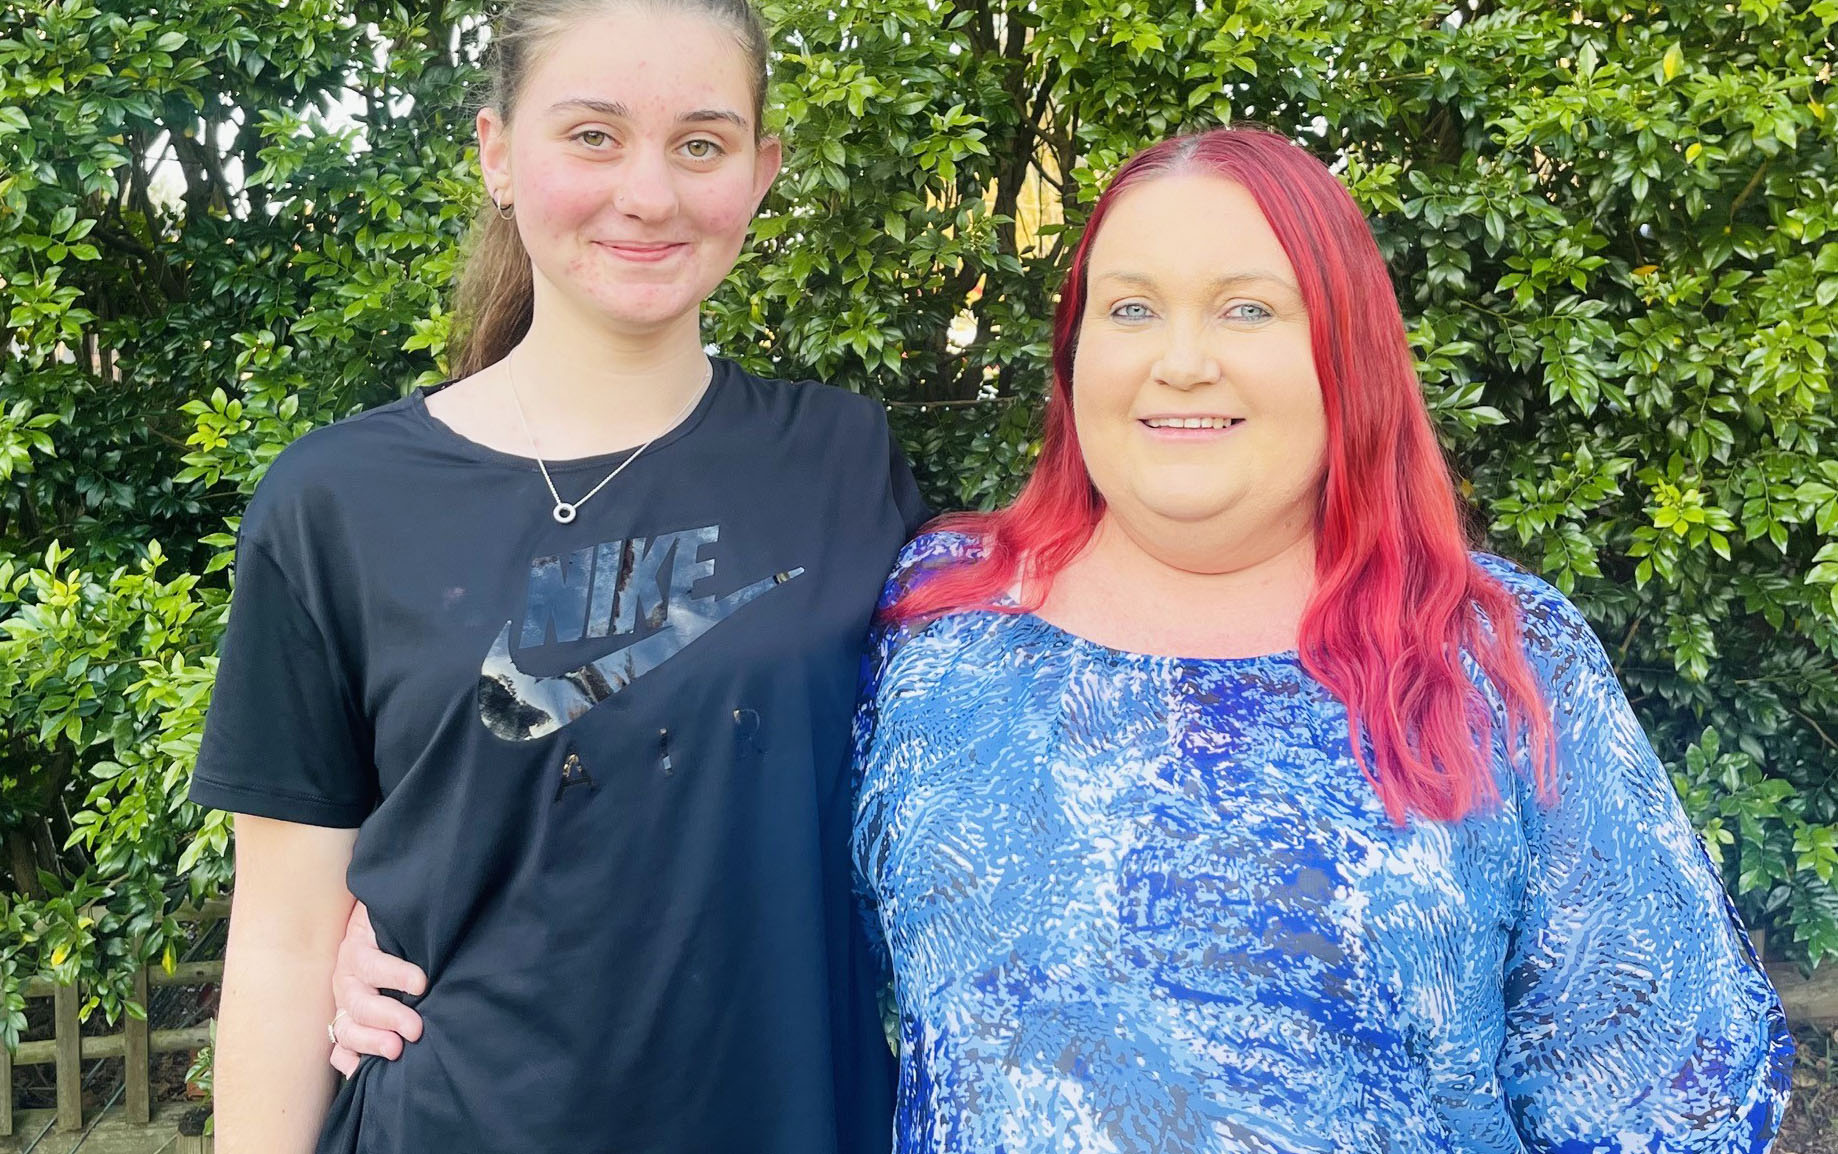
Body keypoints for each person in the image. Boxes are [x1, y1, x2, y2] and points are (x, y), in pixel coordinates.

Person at [329, 125, 1795, 1147]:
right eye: (1129, 306)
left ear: (1344, 352)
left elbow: (1671, 1084)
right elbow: (660, 792)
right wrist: (399, 900)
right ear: (1074, 348)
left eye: (1246, 307)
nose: (1180, 361)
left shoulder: (1493, 651)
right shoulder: (932, 613)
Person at [190, 0, 926, 1154]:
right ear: (496, 153)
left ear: (761, 170)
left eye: (701, 143)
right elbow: (277, 939)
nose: (649, 191)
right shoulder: (337, 501)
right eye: (592, 134)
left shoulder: (841, 459)